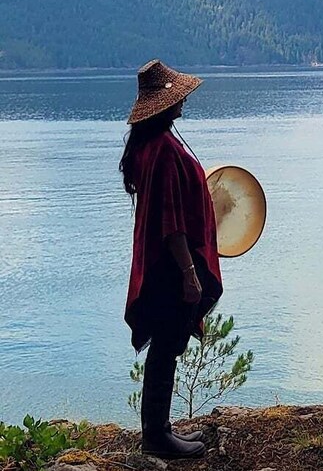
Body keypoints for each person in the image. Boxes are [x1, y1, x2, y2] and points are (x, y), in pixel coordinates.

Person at [119, 59, 223, 459]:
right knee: (166, 345)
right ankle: (157, 435)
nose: (183, 100)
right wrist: (189, 273)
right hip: (170, 266)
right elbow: (171, 223)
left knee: (167, 345)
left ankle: (158, 430)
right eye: (177, 96)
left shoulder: (152, 143)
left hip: (162, 263)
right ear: (163, 104)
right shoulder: (161, 149)